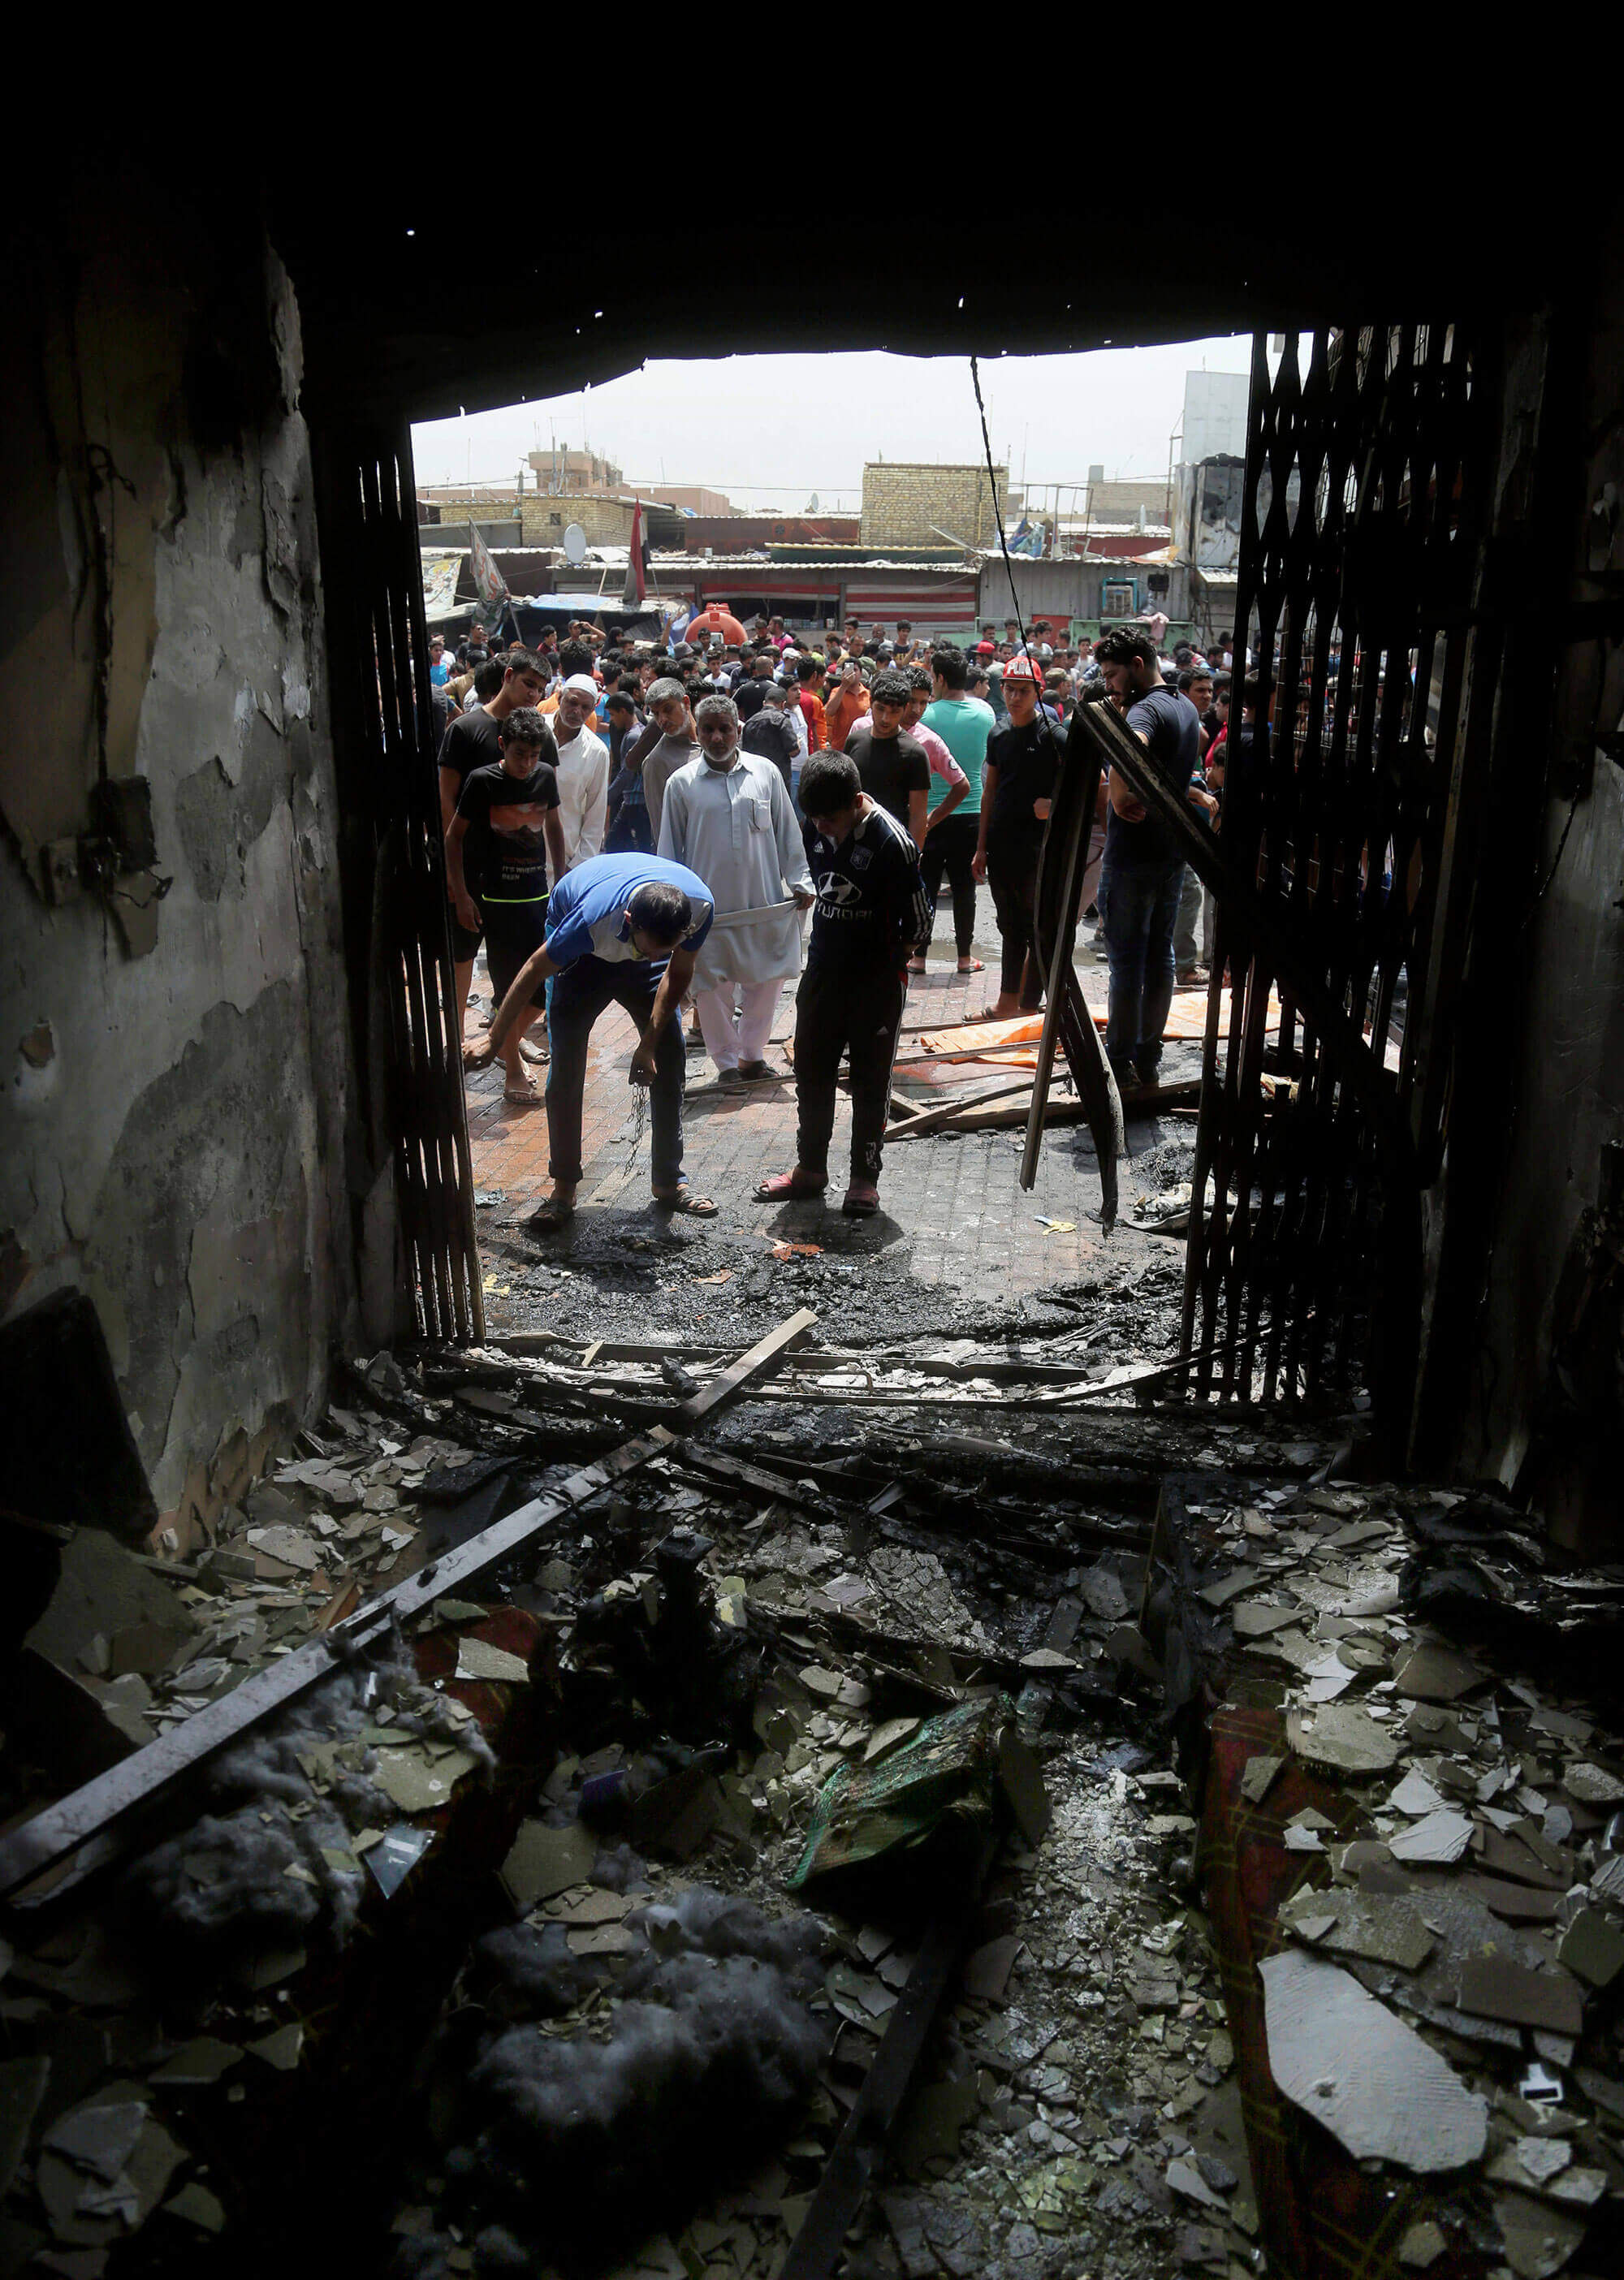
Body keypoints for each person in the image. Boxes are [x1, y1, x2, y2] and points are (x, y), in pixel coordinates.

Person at [468, 853, 719, 1231]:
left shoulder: (697, 909)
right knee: (567, 1066)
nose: (653, 957)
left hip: (641, 947)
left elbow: (679, 971)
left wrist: (649, 1043)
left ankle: (669, 1181)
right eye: (650, 949)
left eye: (662, 951)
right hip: (583, 961)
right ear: (631, 922)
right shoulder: (588, 923)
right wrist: (494, 1038)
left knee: (671, 1053)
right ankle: (564, 1189)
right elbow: (534, 969)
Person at [755, 752, 931, 1220]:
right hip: (822, 975)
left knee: (871, 1082)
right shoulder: (817, 823)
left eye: (830, 819)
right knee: (812, 1074)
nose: (821, 828)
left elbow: (919, 921)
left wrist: (888, 962)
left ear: (856, 802)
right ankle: (810, 1170)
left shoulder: (892, 842)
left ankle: (864, 1179)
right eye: (814, 819)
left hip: (875, 983)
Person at [658, 694, 814, 1091]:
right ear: (698, 729)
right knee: (710, 990)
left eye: (724, 728)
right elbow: (669, 851)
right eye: (707, 728)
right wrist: (673, 906)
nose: (716, 736)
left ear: (738, 729)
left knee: (768, 982)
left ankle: (752, 1056)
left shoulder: (765, 773)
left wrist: (800, 879)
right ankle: (726, 1063)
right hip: (707, 912)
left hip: (763, 905)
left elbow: (787, 830)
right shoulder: (681, 784)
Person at [1095, 624, 1212, 1092]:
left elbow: (1133, 746)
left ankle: (1120, 1059)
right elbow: (1172, 772)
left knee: (1126, 964)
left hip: (1133, 857)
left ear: (1137, 666)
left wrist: (1121, 791)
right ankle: (1148, 1055)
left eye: (1113, 675)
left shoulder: (1144, 709)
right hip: (1170, 853)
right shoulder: (1185, 706)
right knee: (1160, 958)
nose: (1109, 685)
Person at [444, 708, 568, 1108]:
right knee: (504, 989)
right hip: (494, 902)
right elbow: (453, 838)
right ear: (502, 746)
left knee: (537, 993)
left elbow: (553, 826)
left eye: (533, 755)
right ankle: (512, 1067)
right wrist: (461, 895)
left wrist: (562, 877)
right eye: (519, 754)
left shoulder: (545, 776)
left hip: (537, 898)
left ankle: (501, 1042)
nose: (526, 763)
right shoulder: (483, 781)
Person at [437, 648, 554, 1052]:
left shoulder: (539, 733)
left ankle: (507, 1041)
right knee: (463, 954)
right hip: (472, 866)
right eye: (528, 684)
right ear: (507, 676)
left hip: (521, 874)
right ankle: (453, 1040)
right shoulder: (466, 729)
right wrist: (456, 878)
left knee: (520, 961)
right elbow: (446, 802)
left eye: (540, 690)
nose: (533, 695)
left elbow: (546, 804)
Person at [971, 654, 1063, 1018]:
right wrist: (980, 847)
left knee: (1037, 926)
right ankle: (1008, 1003)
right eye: (1009, 689)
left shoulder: (1055, 737)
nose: (1015, 697)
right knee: (1009, 925)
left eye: (1024, 690)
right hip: (1001, 843)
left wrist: (1053, 805)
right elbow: (989, 791)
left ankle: (1029, 1005)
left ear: (1038, 692)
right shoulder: (998, 732)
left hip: (1039, 848)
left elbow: (1093, 787)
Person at [915, 651, 994, 975]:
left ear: (941, 679)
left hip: (932, 813)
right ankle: (964, 957)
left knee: (926, 886)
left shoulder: (926, 715)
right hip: (971, 809)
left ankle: (918, 957)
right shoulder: (986, 713)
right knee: (965, 888)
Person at [844, 669, 931, 847]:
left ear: (905, 708)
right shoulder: (855, 740)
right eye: (881, 709)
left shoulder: (915, 754)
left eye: (894, 711)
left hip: (893, 846)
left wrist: (914, 856)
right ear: (871, 703)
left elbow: (918, 816)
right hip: (854, 840)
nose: (885, 718)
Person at [1173, 665, 1217, 983]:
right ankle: (1184, 966)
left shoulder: (1195, 726)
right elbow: (1165, 776)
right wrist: (1197, 795)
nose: (1207, 697)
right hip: (1171, 822)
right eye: (1200, 691)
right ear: (1184, 692)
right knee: (1189, 893)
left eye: (1210, 691)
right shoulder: (1180, 724)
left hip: (1184, 823)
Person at [631, 677, 701, 844]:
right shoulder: (656, 763)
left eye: (668, 709)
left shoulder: (712, 740)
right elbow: (662, 830)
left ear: (685, 702)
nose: (662, 719)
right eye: (656, 714)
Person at [551, 675, 610, 870]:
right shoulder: (535, 731)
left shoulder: (596, 751)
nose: (577, 712)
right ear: (559, 699)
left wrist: (577, 866)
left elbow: (596, 814)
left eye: (585, 708)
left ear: (592, 711)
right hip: (521, 859)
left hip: (564, 865)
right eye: (572, 702)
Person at [740, 679, 801, 797]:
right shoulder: (782, 720)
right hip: (779, 780)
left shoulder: (750, 722)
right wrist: (797, 741)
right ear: (783, 704)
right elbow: (794, 751)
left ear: (764, 703)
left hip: (755, 781)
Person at [823, 655, 872, 753]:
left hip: (863, 747)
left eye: (855, 670)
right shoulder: (837, 692)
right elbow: (829, 712)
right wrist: (844, 686)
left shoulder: (869, 694)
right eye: (849, 670)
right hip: (840, 748)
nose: (852, 673)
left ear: (861, 673)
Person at [795, 653, 830, 755]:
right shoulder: (813, 700)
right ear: (815, 675)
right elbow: (814, 731)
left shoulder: (793, 695)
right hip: (813, 752)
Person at [733, 650, 778, 724]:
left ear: (756, 670)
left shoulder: (744, 688)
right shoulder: (775, 688)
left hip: (749, 728)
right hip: (770, 729)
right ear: (771, 669)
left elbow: (731, 706)